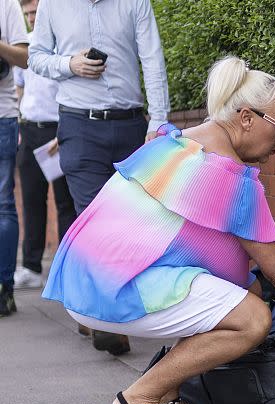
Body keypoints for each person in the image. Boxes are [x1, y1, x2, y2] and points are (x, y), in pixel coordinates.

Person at [42, 56, 275, 404]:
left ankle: (166, 397)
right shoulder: (229, 177)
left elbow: (212, 253)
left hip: (85, 276)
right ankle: (137, 402)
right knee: (251, 319)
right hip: (112, 288)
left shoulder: (178, 141)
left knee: (237, 297)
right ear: (247, 118)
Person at [28, 0, 171, 350]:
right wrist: (69, 64)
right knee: (92, 218)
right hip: (78, 125)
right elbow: (36, 56)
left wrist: (158, 120)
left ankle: (93, 307)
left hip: (130, 125)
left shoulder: (135, 2)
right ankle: (106, 317)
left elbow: (151, 58)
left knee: (131, 220)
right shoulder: (52, 4)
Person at [12, 0, 76, 291]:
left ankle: (65, 268)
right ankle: (32, 267)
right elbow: (20, 88)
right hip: (29, 130)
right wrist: (19, 124)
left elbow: (69, 90)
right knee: (31, 200)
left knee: (65, 202)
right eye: (27, 14)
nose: (32, 18)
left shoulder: (60, 43)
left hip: (57, 131)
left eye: (35, 13)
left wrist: (63, 132)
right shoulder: (24, 46)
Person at [0, 0, 30, 317]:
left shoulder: (7, 4)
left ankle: (3, 288)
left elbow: (24, 57)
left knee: (2, 203)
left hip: (1, 117)